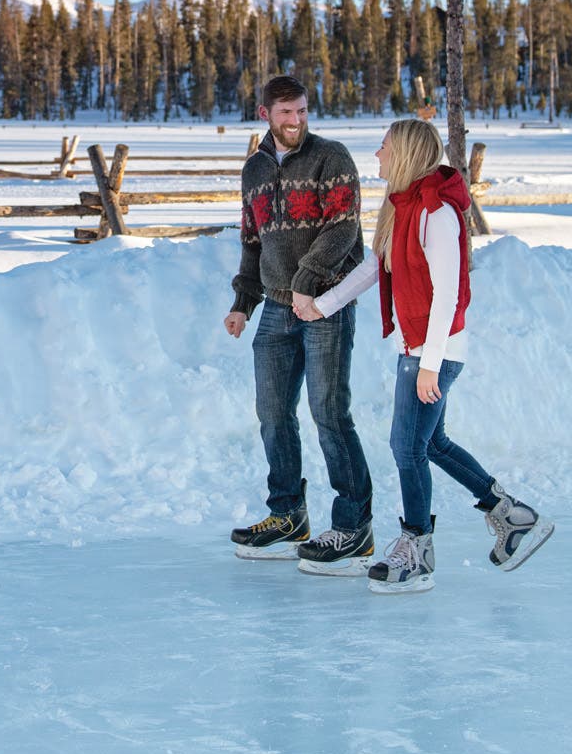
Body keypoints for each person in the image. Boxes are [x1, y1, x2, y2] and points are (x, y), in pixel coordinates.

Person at [299, 117, 552, 594]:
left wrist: (430, 363)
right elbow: (375, 267)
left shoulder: (437, 214)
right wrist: (323, 306)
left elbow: (447, 293)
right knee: (430, 444)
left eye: (384, 146)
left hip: (434, 350)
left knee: (406, 447)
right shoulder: (403, 207)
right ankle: (513, 516)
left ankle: (417, 548)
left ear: (407, 152)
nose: (377, 155)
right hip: (419, 349)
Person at [224, 75, 377, 571]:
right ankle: (288, 514)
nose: (295, 121)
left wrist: (310, 281)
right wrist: (243, 302)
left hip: (326, 303)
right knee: (273, 413)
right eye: (285, 113)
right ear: (264, 112)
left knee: (329, 413)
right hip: (274, 307)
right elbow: (254, 241)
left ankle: (355, 526)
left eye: (302, 112)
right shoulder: (254, 170)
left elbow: (343, 226)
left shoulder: (331, 158)